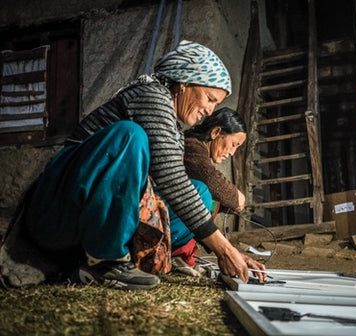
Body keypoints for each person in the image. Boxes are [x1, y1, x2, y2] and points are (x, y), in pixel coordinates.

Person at [20, 40, 266, 290]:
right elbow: (172, 181)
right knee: (129, 136)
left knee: (200, 192)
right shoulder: (152, 95)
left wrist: (229, 251)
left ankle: (108, 259)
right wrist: (223, 249)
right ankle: (105, 260)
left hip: (90, 224)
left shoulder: (175, 129)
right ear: (183, 83)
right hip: (57, 209)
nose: (210, 110)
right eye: (210, 98)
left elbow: (174, 189)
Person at [167, 107, 249, 269]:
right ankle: (170, 250)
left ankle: (177, 252)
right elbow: (210, 178)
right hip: (152, 212)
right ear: (216, 132)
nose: (232, 152)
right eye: (233, 144)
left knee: (210, 199)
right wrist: (236, 198)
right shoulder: (190, 145)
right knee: (202, 192)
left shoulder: (199, 150)